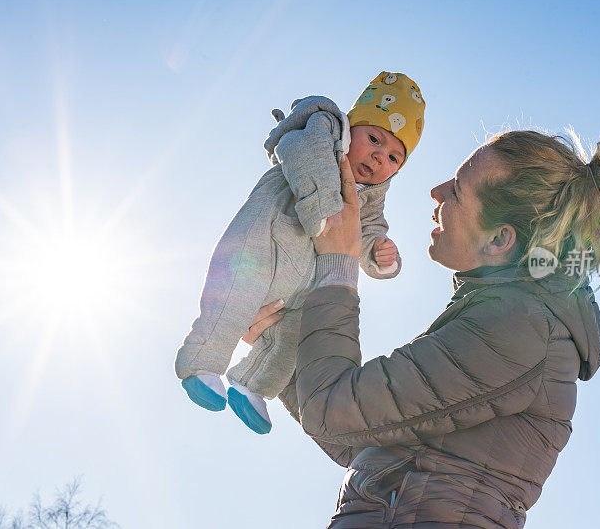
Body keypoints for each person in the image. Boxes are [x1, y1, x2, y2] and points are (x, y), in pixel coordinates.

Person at [248, 130, 600, 527]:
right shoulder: (503, 317)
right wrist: (283, 339)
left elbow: (332, 411)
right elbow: (364, 444)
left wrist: (337, 265)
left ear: (500, 239)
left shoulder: (519, 328)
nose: (436, 193)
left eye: (457, 190)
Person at [174, 72, 426, 434]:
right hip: (267, 239)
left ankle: (252, 385)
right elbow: (298, 152)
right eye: (373, 138)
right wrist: (323, 207)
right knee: (233, 297)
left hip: (306, 279)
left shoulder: (372, 195)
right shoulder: (321, 132)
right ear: (350, 127)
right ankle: (201, 360)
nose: (378, 156)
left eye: (393, 157)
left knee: (297, 335)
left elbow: (367, 229)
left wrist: (380, 255)